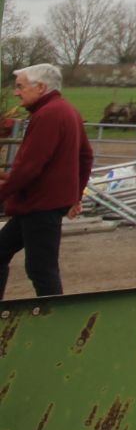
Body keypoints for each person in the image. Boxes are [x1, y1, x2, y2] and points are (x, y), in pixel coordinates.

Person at [0, 63, 93, 299]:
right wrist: (75, 195)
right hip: (39, 205)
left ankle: (56, 323)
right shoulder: (67, 111)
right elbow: (86, 156)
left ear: (40, 87)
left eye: (20, 86)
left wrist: (2, 193)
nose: (16, 92)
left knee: (42, 268)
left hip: (41, 205)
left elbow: (29, 167)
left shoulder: (48, 115)